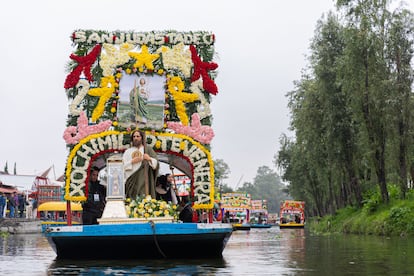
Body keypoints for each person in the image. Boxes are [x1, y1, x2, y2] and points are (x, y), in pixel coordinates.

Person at [123, 130, 159, 199]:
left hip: (144, 179)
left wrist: (149, 158)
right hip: (131, 180)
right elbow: (123, 166)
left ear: (142, 138)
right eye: (134, 137)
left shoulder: (148, 150)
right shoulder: (128, 151)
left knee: (143, 196)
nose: (136, 138)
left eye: (138, 136)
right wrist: (132, 162)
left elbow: (156, 163)